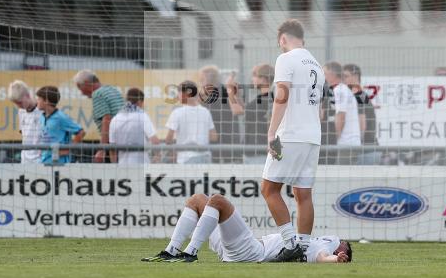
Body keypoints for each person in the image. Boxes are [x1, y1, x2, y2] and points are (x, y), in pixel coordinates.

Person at [141, 193, 352, 264]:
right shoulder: (311, 241)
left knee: (218, 201)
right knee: (197, 200)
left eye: (346, 247)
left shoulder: (322, 248)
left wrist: (336, 259)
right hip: (236, 250)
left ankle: (190, 253)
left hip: (252, 252)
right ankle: (171, 251)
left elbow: (323, 258)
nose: (345, 244)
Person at [262, 19, 323, 262]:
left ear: (283, 39)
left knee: (269, 189)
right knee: (303, 194)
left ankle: (290, 245)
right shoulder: (316, 64)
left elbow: (282, 96)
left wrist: (271, 133)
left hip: (290, 135)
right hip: (313, 137)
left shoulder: (286, 58)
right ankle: (304, 249)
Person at [73, 70, 124, 163]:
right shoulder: (112, 89)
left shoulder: (98, 94)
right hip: (125, 139)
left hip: (115, 142)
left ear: (87, 83)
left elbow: (107, 120)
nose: (82, 93)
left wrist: (102, 149)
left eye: (80, 88)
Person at [198, 65, 244, 163]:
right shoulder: (207, 94)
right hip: (227, 138)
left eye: (201, 79)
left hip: (224, 138)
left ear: (208, 79)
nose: (200, 82)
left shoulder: (223, 91)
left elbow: (238, 109)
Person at [165, 80, 217, 164]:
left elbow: (168, 139)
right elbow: (214, 137)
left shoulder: (177, 113)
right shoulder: (206, 112)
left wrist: (173, 152)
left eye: (179, 93)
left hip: (186, 158)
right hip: (205, 157)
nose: (178, 97)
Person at [109, 87, 162, 165]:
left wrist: (114, 166)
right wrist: (157, 156)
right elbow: (155, 141)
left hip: (123, 166)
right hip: (141, 164)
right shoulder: (142, 116)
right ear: (140, 102)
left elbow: (112, 148)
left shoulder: (115, 119)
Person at [36, 86, 85, 165]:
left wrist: (67, 150)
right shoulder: (42, 116)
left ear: (46, 101)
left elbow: (81, 132)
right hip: (43, 161)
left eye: (39, 99)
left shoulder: (61, 117)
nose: (37, 101)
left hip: (59, 163)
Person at [324, 61, 362, 165]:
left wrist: (336, 138)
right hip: (350, 143)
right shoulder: (342, 89)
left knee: (341, 172)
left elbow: (341, 116)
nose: (323, 76)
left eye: (325, 73)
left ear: (332, 74)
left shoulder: (339, 90)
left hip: (346, 143)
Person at [343, 63, 379, 165]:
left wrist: (357, 148)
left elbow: (362, 125)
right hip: (367, 150)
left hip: (365, 151)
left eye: (345, 76)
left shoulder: (358, 95)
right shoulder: (359, 94)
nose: (343, 80)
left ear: (355, 77)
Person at [243, 63, 275, 165]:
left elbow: (239, 110)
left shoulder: (268, 100)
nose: (252, 79)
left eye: (255, 75)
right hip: (253, 151)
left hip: (260, 152)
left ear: (263, 79)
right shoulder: (266, 99)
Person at [8, 80, 43, 164]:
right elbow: (24, 134)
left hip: (40, 160)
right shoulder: (21, 111)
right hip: (25, 160)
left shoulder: (42, 111)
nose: (18, 106)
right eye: (16, 103)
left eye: (20, 103)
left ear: (27, 95)